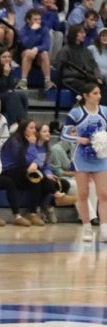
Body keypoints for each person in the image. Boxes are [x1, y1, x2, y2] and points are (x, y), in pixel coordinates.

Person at [62, 84, 107, 243]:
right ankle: (87, 228)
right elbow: (64, 135)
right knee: (83, 194)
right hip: (81, 157)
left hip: (100, 158)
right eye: (95, 93)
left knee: (103, 194)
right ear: (86, 95)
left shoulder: (105, 111)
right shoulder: (76, 113)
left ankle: (104, 229)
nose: (99, 96)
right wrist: (79, 139)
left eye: (99, 93)